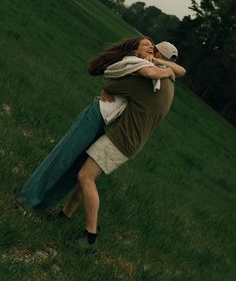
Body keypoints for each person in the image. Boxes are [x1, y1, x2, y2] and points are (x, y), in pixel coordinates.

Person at [16, 37, 185, 220]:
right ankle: (26, 200)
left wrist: (164, 67)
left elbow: (179, 71)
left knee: (74, 170)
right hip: (97, 114)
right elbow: (149, 73)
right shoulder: (133, 61)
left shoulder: (152, 67)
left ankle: (40, 205)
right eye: (145, 44)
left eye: (152, 46)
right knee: (63, 157)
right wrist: (167, 70)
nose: (150, 47)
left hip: (109, 124)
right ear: (135, 50)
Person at [54, 39, 186, 252]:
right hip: (131, 141)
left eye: (154, 51)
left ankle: (90, 237)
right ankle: (64, 216)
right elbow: (178, 71)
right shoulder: (168, 85)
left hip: (121, 138)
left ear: (158, 57)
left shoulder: (148, 82)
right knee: (88, 177)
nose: (149, 51)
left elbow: (111, 84)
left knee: (85, 177)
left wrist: (112, 86)